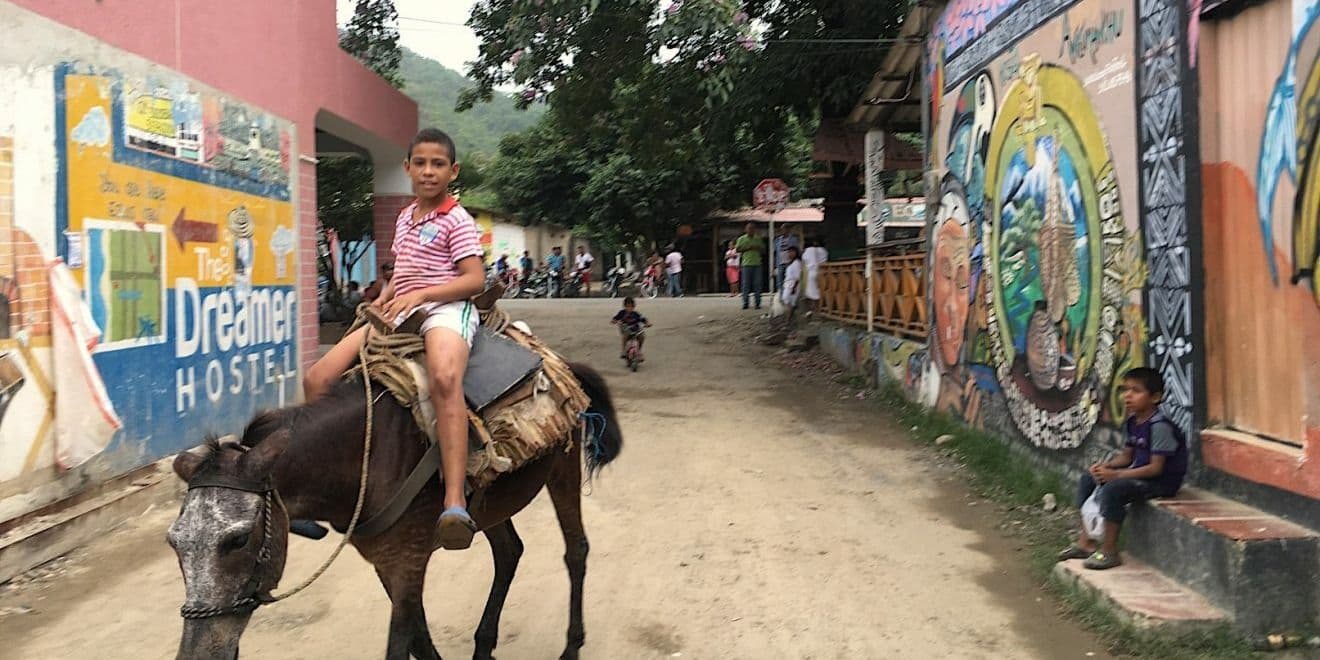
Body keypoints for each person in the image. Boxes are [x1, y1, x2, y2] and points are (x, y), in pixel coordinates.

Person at [303, 128, 484, 551]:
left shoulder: (457, 219)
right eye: (420, 163)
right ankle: (320, 486)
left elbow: (475, 280)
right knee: (317, 379)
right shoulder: (405, 217)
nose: (428, 171)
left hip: (445, 309)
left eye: (438, 164)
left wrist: (422, 294)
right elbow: (401, 272)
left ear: (452, 171)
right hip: (400, 308)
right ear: (407, 169)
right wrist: (384, 299)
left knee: (443, 379)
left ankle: (454, 501)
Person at [1057, 367, 1188, 570]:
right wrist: (1105, 467)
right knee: (1087, 479)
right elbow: (1127, 456)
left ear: (1155, 397)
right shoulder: (1133, 422)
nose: (1128, 395)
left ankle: (1110, 551)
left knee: (1113, 489)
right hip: (1140, 475)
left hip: (1161, 482)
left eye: (1136, 391)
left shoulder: (1159, 426)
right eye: (1125, 390)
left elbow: (1155, 469)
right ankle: (1086, 543)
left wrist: (1116, 475)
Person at [735, 223, 766, 310]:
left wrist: (757, 248)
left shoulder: (758, 238)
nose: (750, 230)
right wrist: (748, 247)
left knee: (757, 284)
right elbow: (737, 249)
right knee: (745, 285)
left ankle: (757, 303)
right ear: (745, 229)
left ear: (755, 230)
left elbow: (763, 250)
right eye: (749, 229)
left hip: (757, 264)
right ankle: (745, 303)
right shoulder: (741, 239)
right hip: (746, 264)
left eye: (752, 229)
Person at [800, 237, 828, 315]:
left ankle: (815, 310)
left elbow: (804, 263)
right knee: (821, 291)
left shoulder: (806, 252)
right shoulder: (823, 251)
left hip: (811, 272)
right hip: (822, 272)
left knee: (812, 293)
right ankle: (820, 309)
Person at [774, 225, 801, 290]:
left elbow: (797, 250)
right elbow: (775, 252)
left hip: (790, 263)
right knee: (780, 282)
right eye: (782, 229)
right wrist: (775, 265)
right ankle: (781, 297)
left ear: (788, 230)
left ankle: (789, 296)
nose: (784, 231)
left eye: (786, 229)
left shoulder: (793, 239)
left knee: (790, 280)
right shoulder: (777, 240)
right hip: (780, 263)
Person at [779, 246, 802, 321]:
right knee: (786, 300)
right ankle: (789, 318)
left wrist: (794, 287)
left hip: (793, 285)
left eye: (792, 252)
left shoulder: (797, 263)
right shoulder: (790, 263)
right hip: (788, 283)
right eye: (789, 252)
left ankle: (788, 319)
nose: (790, 254)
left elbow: (797, 277)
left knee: (789, 301)